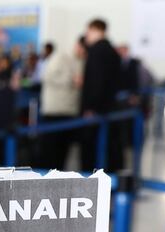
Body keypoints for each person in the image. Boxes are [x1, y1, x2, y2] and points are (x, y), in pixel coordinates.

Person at [80, 18, 122, 172]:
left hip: (96, 110)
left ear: (95, 30)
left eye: (88, 31)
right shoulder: (112, 51)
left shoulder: (96, 51)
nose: (86, 35)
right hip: (109, 107)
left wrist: (91, 106)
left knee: (91, 150)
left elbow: (96, 82)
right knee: (110, 149)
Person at [37, 38, 84, 170]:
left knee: (62, 154)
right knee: (50, 153)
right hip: (54, 112)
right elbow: (47, 76)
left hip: (70, 113)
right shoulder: (60, 57)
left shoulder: (82, 61)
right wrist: (71, 80)